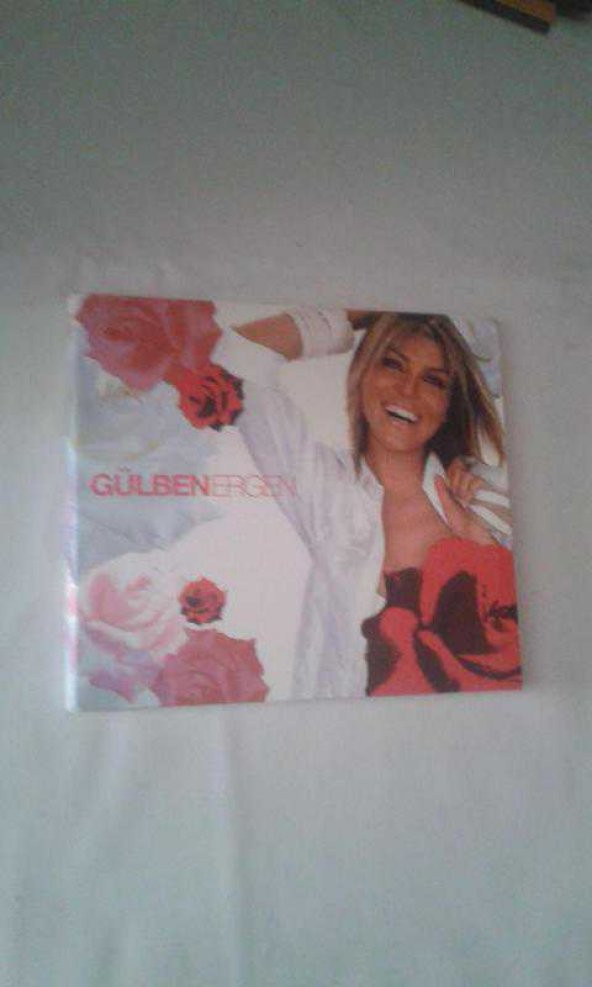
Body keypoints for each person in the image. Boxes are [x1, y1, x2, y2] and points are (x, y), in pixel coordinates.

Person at [213, 308, 520, 699]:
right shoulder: (325, 488)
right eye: (392, 364)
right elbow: (240, 355)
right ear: (363, 374)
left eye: (433, 380)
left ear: (449, 404)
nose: (407, 391)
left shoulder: (492, 496)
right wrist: (375, 306)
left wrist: (486, 551)